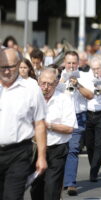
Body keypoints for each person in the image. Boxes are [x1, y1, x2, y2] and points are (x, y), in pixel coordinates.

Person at [0, 48, 47, 199]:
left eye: (11, 67)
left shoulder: (31, 88)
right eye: (3, 67)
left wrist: (41, 156)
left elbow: (39, 124)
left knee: (12, 197)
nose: (7, 71)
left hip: (19, 153)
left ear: (19, 65)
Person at [30, 68, 77, 200]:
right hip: (35, 149)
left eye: (49, 84)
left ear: (56, 84)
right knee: (36, 190)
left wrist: (48, 125)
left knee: (51, 191)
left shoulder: (64, 99)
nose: (45, 87)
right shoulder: (32, 99)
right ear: (38, 82)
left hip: (57, 150)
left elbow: (69, 128)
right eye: (43, 83)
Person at [60, 51, 94, 196]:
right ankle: (60, 180)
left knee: (73, 150)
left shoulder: (85, 76)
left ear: (78, 63)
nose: (71, 66)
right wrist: (62, 82)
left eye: (74, 63)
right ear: (64, 63)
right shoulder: (58, 75)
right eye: (69, 63)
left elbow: (90, 95)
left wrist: (77, 84)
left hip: (78, 116)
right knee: (60, 151)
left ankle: (70, 184)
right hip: (61, 118)